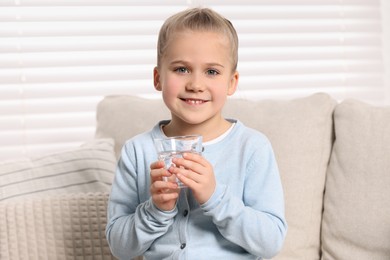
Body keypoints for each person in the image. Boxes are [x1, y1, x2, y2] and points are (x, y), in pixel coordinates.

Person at [105, 7, 287, 260]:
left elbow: (270, 243)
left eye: (212, 72)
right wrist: (155, 210)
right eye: (181, 69)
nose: (196, 84)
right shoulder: (137, 151)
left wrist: (216, 197)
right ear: (158, 78)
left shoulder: (252, 147)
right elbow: (120, 249)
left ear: (231, 82)